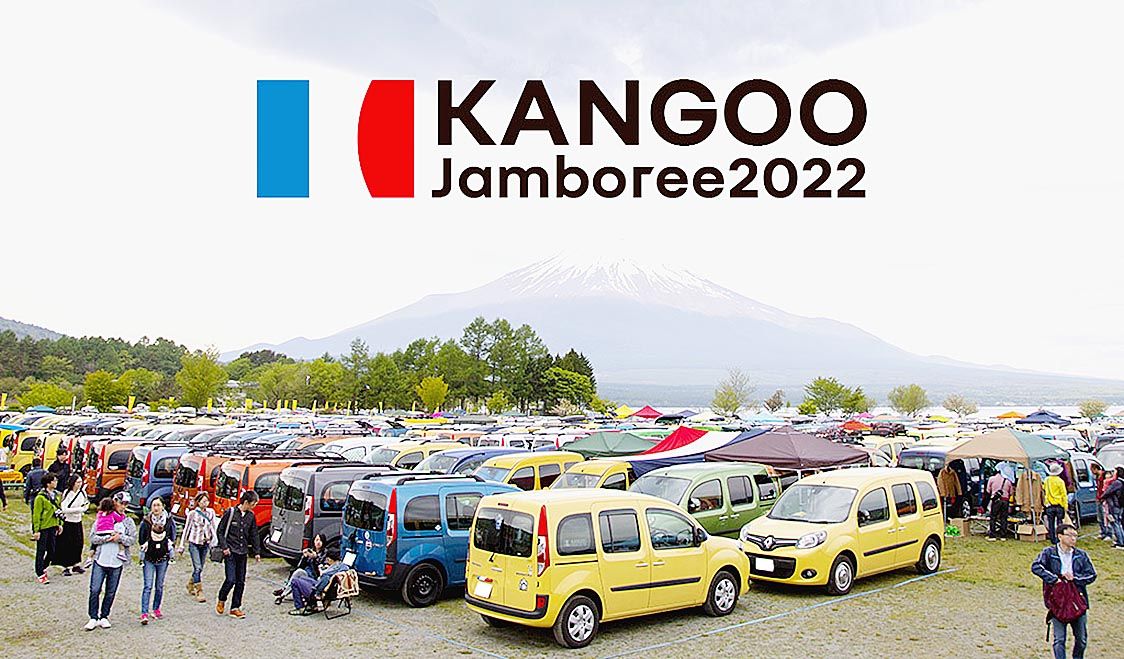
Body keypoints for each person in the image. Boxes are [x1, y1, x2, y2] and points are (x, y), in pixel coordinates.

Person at [1031, 523, 1097, 659]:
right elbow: (1036, 566)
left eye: (1075, 536)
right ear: (1060, 536)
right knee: (1059, 639)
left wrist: (1075, 578)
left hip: (1077, 600)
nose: (1073, 538)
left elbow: (1091, 575)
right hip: (1058, 600)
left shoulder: (1081, 555)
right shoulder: (1049, 553)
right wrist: (1054, 579)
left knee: (1081, 639)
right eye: (1070, 535)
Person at [86, 491, 137, 631]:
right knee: (95, 589)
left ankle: (104, 616)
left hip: (117, 562)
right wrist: (107, 538)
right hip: (101, 559)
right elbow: (93, 537)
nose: (123, 507)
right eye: (121, 503)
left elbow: (132, 539)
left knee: (111, 591)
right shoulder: (103, 517)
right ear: (115, 503)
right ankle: (93, 617)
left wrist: (120, 538)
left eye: (126, 504)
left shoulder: (128, 521)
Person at [215, 490, 261, 619]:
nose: (254, 506)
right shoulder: (230, 513)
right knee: (231, 579)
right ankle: (222, 598)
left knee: (240, 581)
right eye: (253, 503)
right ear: (246, 502)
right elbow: (220, 531)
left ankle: (235, 607)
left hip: (243, 552)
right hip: (230, 551)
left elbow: (254, 534)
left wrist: (256, 551)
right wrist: (224, 547)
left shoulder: (251, 516)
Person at [138, 498, 176, 625]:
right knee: (148, 586)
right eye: (154, 505)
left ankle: (156, 608)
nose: (156, 508)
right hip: (149, 558)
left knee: (159, 585)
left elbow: (173, 535)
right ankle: (144, 612)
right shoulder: (146, 521)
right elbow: (141, 538)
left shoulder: (168, 520)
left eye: (158, 505)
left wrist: (168, 547)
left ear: (162, 506)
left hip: (163, 558)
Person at [177, 492, 217, 603]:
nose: (205, 503)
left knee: (200, 567)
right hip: (194, 543)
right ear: (198, 502)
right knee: (198, 567)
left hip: (205, 543)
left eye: (207, 501)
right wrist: (181, 545)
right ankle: (199, 591)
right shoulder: (192, 514)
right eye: (203, 501)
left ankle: (191, 583)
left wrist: (215, 541)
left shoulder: (211, 513)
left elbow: (213, 527)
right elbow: (186, 529)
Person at [288, 547, 349, 615]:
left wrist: (321, 574)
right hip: (331, 590)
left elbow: (318, 587)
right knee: (302, 578)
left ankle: (300, 607)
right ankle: (311, 605)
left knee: (295, 581)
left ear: (329, 559)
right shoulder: (343, 567)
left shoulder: (327, 575)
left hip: (318, 592)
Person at [273, 533, 326, 603]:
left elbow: (321, 568)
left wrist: (315, 558)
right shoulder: (310, 551)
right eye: (317, 540)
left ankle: (283, 592)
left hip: (315, 577)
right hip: (306, 574)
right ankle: (283, 594)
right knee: (297, 572)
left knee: (298, 573)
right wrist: (304, 557)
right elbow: (300, 566)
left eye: (320, 540)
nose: (318, 542)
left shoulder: (324, 553)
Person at [55, 475, 89, 576]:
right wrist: (78, 509)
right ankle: (66, 566)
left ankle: (76, 564)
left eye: (80, 482)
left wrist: (83, 509)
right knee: (67, 544)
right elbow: (64, 508)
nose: (79, 484)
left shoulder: (82, 493)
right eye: (77, 482)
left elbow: (86, 504)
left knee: (78, 543)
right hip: (68, 522)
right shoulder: (67, 493)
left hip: (78, 521)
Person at [30, 473, 61, 584]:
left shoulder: (56, 496)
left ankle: (43, 566)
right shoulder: (40, 497)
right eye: (54, 480)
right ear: (48, 483)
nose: (56, 482)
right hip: (43, 527)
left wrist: (59, 524)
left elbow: (58, 510)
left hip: (53, 526)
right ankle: (40, 573)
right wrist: (36, 530)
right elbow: (36, 514)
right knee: (41, 550)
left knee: (52, 550)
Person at [986, 465, 1014, 541]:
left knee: (993, 517)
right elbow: (1011, 492)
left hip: (996, 501)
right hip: (1005, 501)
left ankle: (992, 535)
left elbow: (988, 490)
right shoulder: (1008, 481)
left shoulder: (991, 479)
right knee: (1003, 518)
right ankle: (1003, 536)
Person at [1043, 462, 1068, 545]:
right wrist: (1065, 506)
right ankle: (1059, 537)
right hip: (1059, 504)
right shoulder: (1060, 481)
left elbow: (1044, 490)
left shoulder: (1047, 480)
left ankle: (1052, 538)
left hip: (1049, 504)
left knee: (1051, 522)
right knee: (1059, 523)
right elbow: (1064, 494)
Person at [1103, 466, 1124, 549]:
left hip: (1115, 505)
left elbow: (1108, 492)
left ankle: (1120, 542)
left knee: (1115, 523)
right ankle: (1121, 540)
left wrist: (1102, 496)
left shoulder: (1117, 483)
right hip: (1120, 505)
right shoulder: (1122, 482)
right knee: (1119, 522)